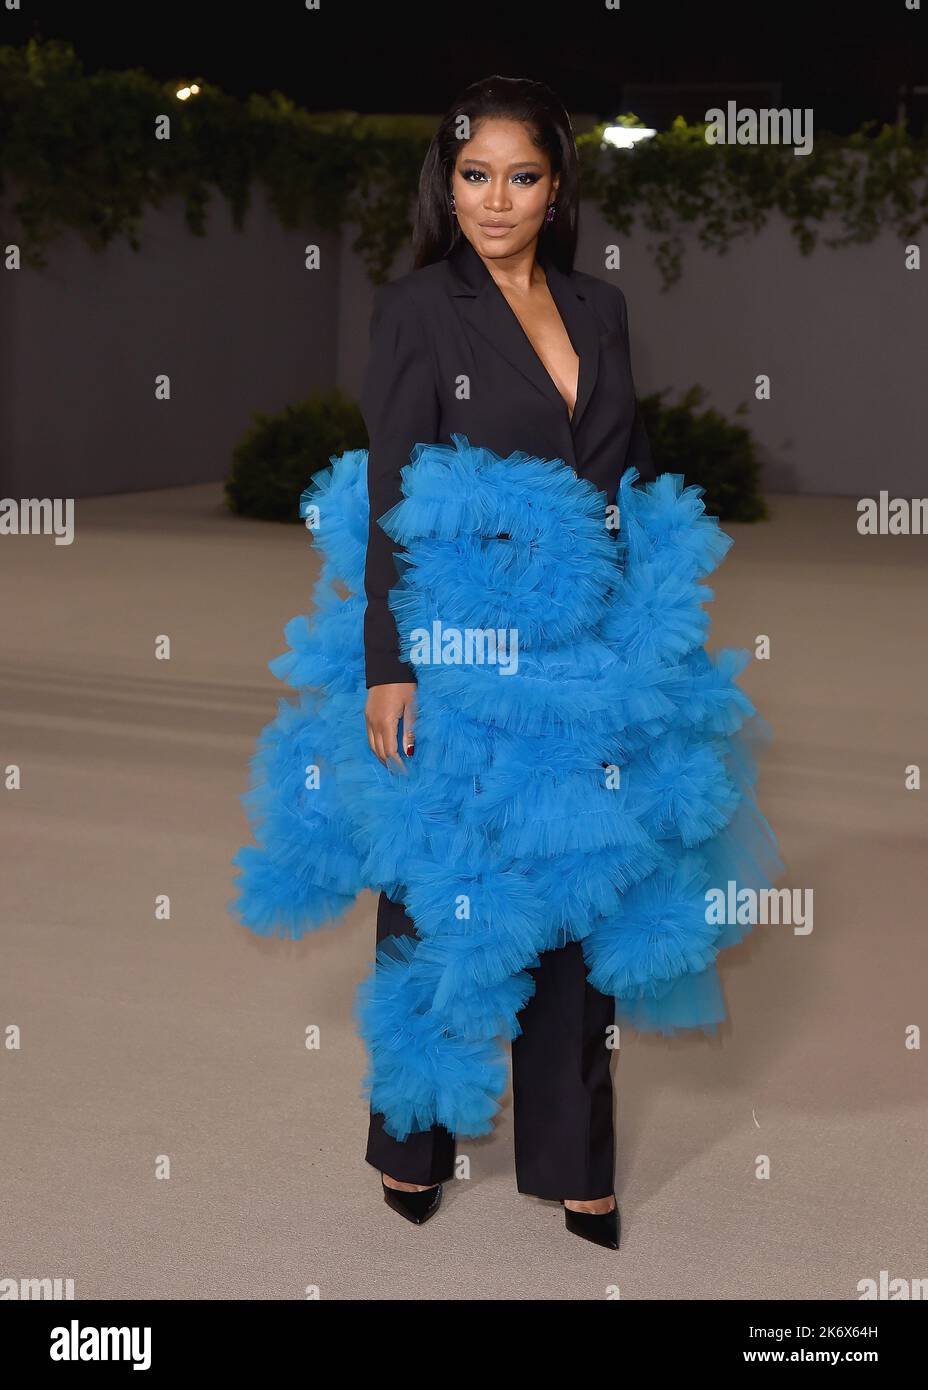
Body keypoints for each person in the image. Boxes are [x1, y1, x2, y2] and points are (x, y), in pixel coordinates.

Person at [360, 75, 656, 1248]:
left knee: (577, 889)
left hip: (579, 653)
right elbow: (393, 491)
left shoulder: (603, 306)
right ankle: (410, 1139)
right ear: (449, 182)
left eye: (520, 176)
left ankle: (575, 1159)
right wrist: (389, 662)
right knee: (434, 901)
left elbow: (623, 470)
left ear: (556, 186)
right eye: (473, 175)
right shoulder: (419, 309)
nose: (495, 199)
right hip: (460, 648)